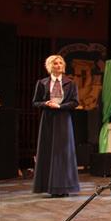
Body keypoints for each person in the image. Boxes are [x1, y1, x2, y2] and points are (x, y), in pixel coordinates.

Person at [32, 55, 80, 197]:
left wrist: (60, 106)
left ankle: (64, 187)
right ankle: (49, 186)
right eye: (55, 63)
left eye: (60, 63)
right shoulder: (42, 83)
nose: (58, 65)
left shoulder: (70, 83)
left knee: (63, 152)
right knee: (48, 150)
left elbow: (75, 102)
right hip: (48, 119)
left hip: (63, 118)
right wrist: (45, 103)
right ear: (49, 66)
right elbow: (35, 102)